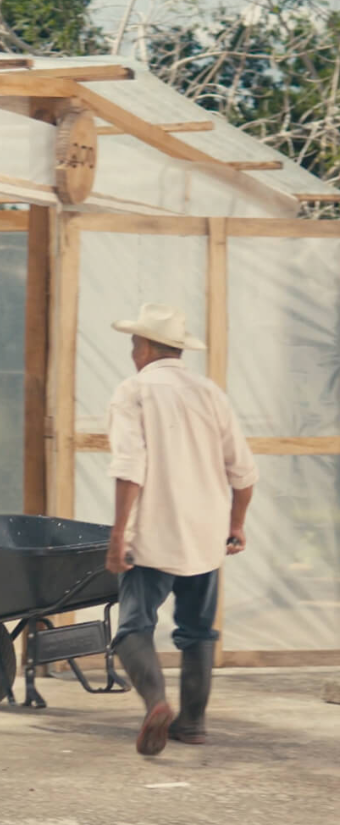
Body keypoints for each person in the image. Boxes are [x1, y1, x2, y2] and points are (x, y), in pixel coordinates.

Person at [105, 303, 258, 756]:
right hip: (206, 536)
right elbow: (244, 472)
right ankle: (192, 724)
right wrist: (236, 524)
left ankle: (156, 704)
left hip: (153, 537)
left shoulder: (133, 391)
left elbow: (130, 469)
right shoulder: (210, 392)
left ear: (148, 346)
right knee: (198, 632)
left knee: (132, 628)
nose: (133, 353)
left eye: (135, 344)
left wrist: (117, 538)